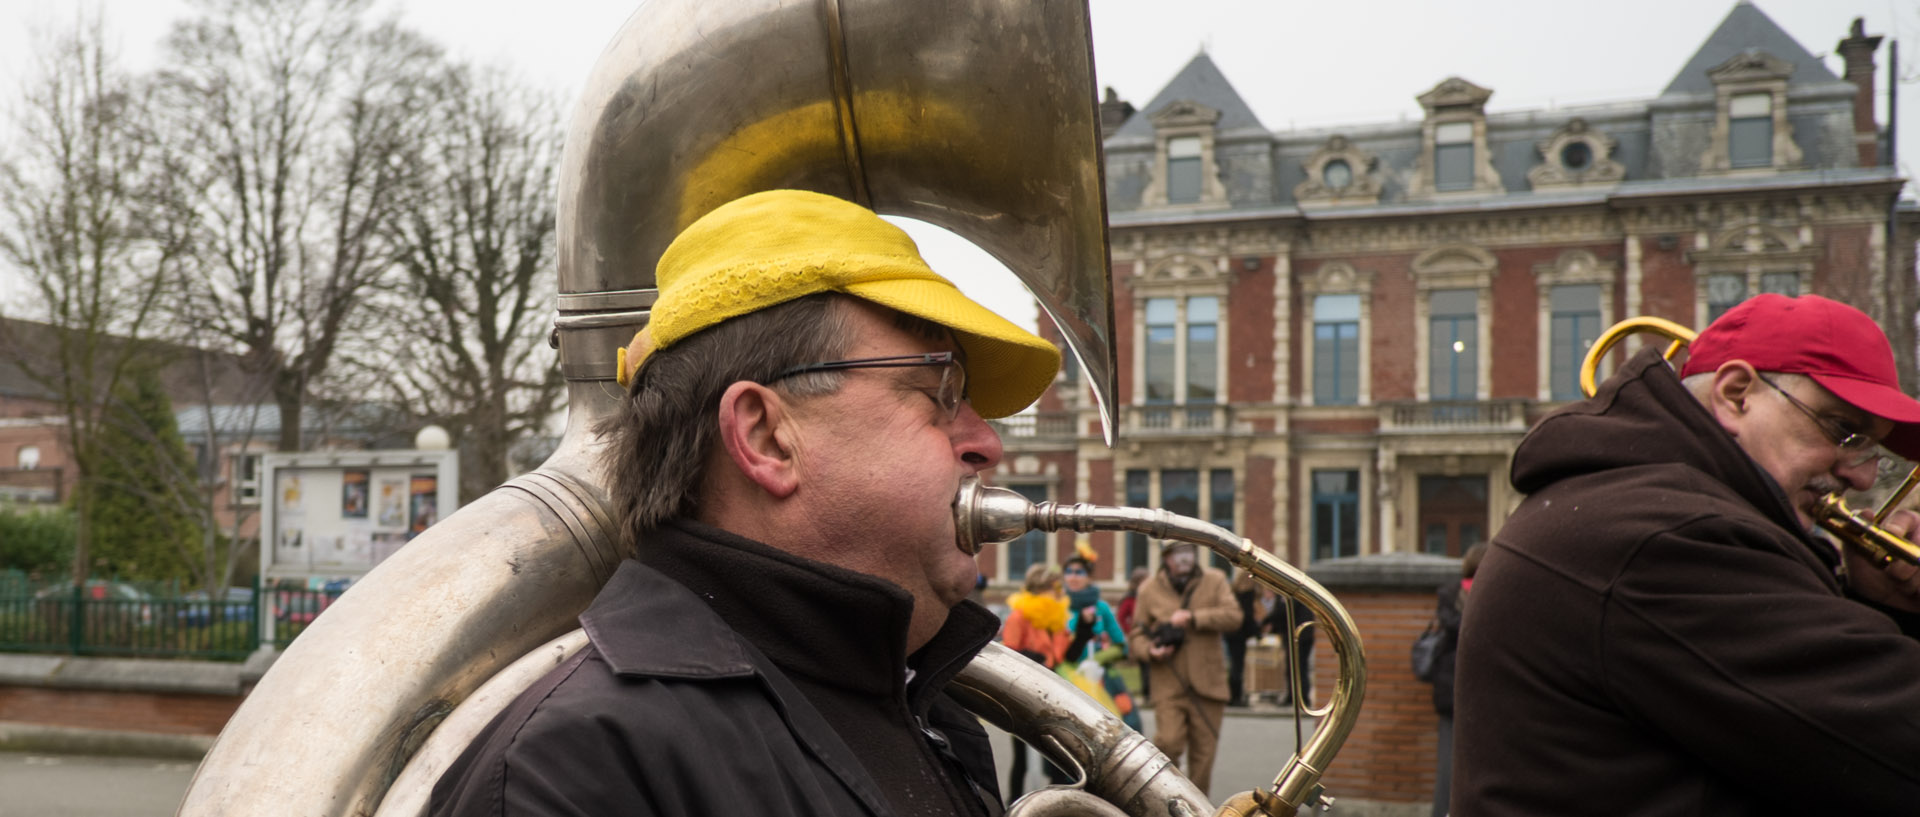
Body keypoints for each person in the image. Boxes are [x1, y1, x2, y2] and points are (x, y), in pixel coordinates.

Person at [429, 189, 1062, 817]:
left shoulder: (938, 720)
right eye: (940, 391)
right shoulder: (574, 767)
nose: (986, 444)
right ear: (766, 437)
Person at [1452, 294, 1920, 816]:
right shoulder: (1675, 537)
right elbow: (1894, 744)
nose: (1859, 475)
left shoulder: (1633, 502)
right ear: (1737, 394)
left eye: (1870, 452)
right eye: (1843, 431)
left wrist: (1886, 605)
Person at [1129, 540, 1242, 795]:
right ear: (1166, 558)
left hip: (1209, 685)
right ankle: (1167, 799)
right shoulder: (1148, 589)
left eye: (1189, 551)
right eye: (1178, 553)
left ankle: (1195, 808)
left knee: (1203, 758)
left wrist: (1195, 618)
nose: (1184, 558)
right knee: (1167, 743)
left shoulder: (1215, 579)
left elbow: (1234, 616)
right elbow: (1136, 635)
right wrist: (1151, 650)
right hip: (1168, 682)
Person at [1000, 563, 1081, 797]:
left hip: (1053, 691)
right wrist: (1030, 657)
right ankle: (1013, 803)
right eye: (1055, 586)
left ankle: (1055, 804)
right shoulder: (1020, 616)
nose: (1059, 592)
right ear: (1042, 588)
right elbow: (1010, 652)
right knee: (1022, 757)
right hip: (1024, 691)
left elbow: (1067, 656)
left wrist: (1084, 631)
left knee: (1056, 754)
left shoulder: (1055, 618)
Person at [1428, 543, 1483, 817]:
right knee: (1454, 759)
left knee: (1453, 758)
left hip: (1459, 685)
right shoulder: (1455, 591)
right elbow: (1453, 626)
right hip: (1461, 685)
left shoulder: (1453, 592)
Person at [1060, 546, 1140, 731]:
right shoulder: (1058, 606)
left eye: (1079, 572)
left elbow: (1121, 645)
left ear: (1089, 577)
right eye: (1069, 572)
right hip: (1067, 678)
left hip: (1100, 679)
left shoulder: (1101, 608)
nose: (1073, 577)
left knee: (1120, 726)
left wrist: (1097, 660)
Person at [1224, 569, 1260, 707]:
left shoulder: (1234, 592)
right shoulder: (1248, 594)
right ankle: (1236, 696)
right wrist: (1257, 633)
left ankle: (1232, 695)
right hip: (1239, 634)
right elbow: (1248, 617)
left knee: (1233, 664)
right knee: (1238, 666)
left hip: (1230, 632)